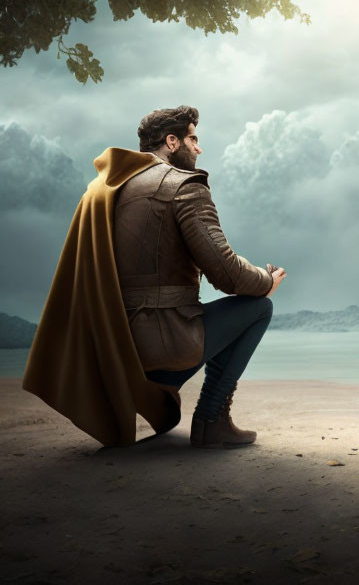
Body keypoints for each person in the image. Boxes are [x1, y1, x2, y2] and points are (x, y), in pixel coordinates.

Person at [23, 106, 286, 448]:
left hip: (111, 352)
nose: (199, 148)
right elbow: (227, 273)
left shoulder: (103, 190)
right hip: (162, 351)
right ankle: (212, 419)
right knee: (257, 308)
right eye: (193, 139)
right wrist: (267, 281)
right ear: (172, 141)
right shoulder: (184, 186)